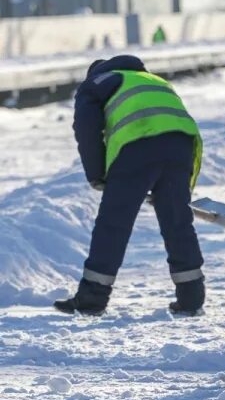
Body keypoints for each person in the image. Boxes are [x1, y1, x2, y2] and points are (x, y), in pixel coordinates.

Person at [55, 55, 206, 317]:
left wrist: (97, 174)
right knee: (177, 221)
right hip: (182, 144)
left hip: (137, 145)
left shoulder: (96, 83)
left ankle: (92, 299)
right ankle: (191, 297)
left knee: (114, 223)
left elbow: (87, 129)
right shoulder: (152, 79)